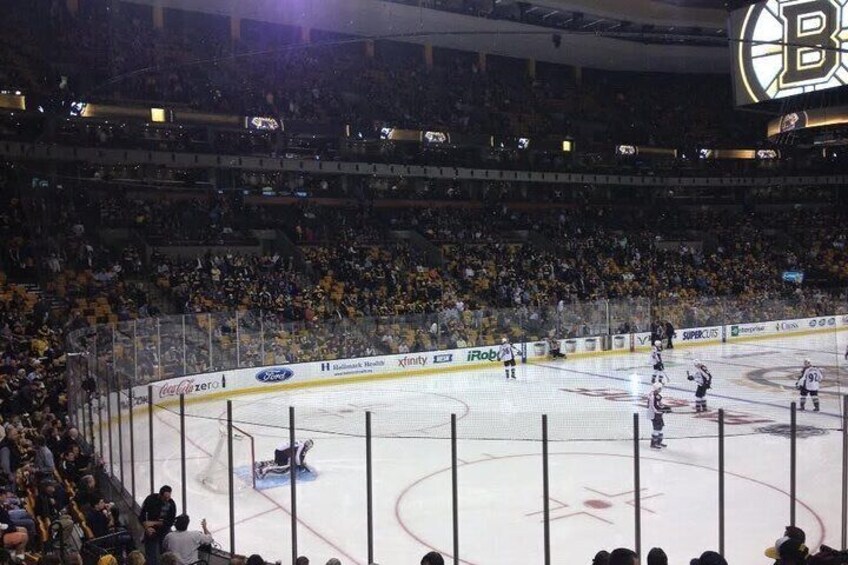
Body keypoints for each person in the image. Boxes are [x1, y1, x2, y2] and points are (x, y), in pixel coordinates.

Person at [139, 486, 177, 565]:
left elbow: (170, 522)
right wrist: (146, 527)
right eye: (165, 498)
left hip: (164, 532)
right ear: (160, 495)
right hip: (151, 531)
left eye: (169, 497)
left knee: (165, 556)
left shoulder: (171, 504)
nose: (167, 500)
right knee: (151, 556)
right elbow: (142, 516)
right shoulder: (150, 499)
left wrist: (153, 523)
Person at [648, 382, 670, 449]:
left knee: (660, 427)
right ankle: (653, 443)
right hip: (654, 414)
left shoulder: (657, 395)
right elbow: (653, 405)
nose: (661, 389)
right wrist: (659, 411)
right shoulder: (653, 396)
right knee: (656, 428)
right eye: (660, 388)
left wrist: (664, 407)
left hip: (658, 413)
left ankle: (659, 442)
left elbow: (659, 404)